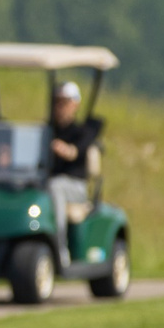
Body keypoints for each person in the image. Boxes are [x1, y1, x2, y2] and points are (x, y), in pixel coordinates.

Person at [45, 79, 102, 227]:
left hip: (76, 186)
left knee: (55, 186)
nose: (59, 107)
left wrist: (61, 148)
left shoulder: (83, 132)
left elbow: (73, 152)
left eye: (64, 102)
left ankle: (58, 243)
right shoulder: (48, 130)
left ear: (75, 104)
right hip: (47, 180)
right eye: (57, 102)